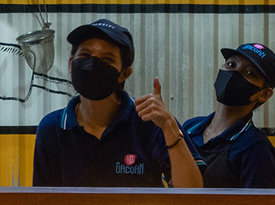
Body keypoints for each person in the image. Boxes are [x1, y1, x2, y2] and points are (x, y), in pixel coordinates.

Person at [32, 20, 202, 188]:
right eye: (85, 55)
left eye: (107, 59)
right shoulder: (51, 128)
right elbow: (42, 200)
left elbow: (193, 193)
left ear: (124, 74)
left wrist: (168, 125)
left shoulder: (150, 121)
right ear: (71, 64)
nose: (93, 64)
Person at [182, 43, 275, 189]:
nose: (234, 73)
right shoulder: (189, 128)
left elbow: (258, 204)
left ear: (264, 94)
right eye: (231, 64)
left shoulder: (257, 149)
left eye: (249, 73)